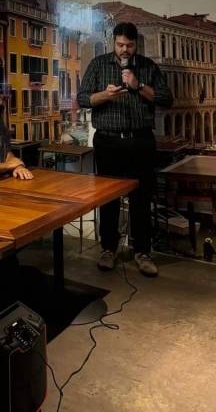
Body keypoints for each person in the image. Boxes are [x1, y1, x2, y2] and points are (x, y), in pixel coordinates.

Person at [77, 22, 173, 277]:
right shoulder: (98, 64)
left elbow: (166, 99)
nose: (124, 50)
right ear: (113, 42)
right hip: (108, 142)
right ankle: (108, 249)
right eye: (120, 45)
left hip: (141, 141)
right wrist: (105, 95)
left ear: (136, 44)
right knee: (109, 198)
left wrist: (138, 85)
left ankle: (142, 252)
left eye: (129, 46)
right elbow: (83, 98)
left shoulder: (148, 66)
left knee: (141, 199)